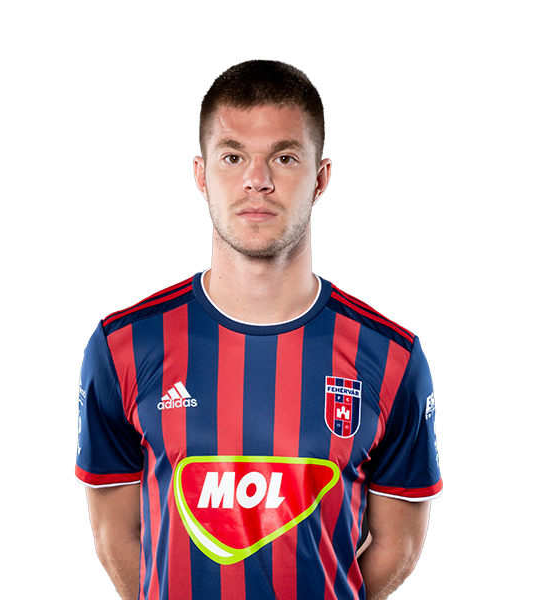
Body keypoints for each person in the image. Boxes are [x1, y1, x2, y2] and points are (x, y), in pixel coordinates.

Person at [76, 60, 442, 600]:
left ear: (320, 180)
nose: (257, 180)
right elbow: (115, 535)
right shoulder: (123, 346)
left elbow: (399, 544)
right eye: (233, 156)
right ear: (202, 176)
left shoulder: (391, 357)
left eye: (284, 157)